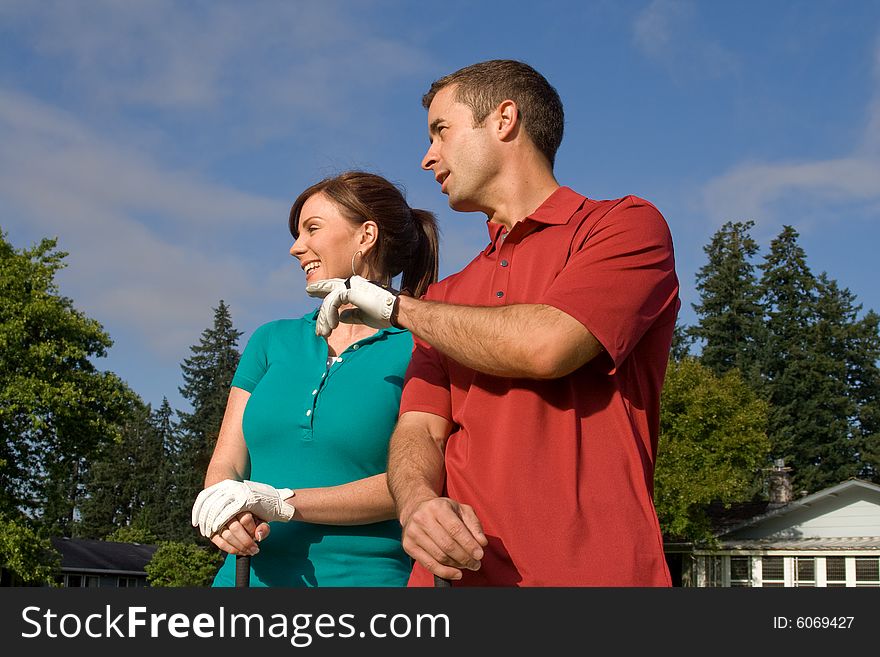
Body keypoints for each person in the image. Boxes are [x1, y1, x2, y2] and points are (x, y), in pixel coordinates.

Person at [308, 60, 680, 586]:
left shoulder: (623, 226)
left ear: (504, 119)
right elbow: (420, 430)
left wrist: (395, 306)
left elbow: (547, 345)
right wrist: (417, 506)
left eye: (441, 130)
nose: (427, 156)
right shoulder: (445, 298)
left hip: (597, 575)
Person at [191, 170, 440, 587]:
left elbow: (417, 481)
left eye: (312, 229)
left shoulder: (422, 348)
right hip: (243, 581)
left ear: (366, 236)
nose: (295, 248)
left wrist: (282, 503)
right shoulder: (271, 341)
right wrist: (227, 512)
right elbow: (228, 463)